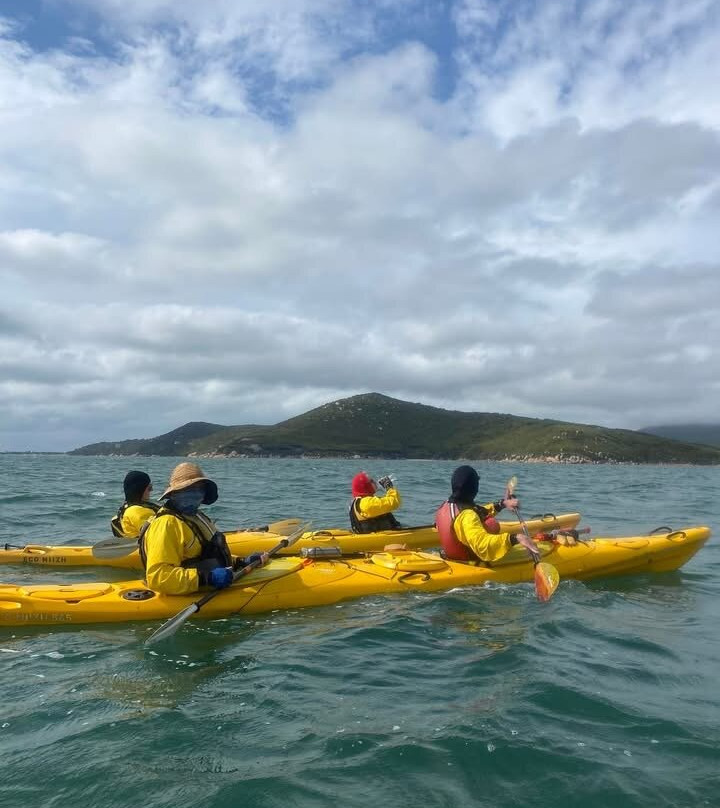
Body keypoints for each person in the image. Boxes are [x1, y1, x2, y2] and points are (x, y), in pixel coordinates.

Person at [139, 462, 268, 595]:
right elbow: (158, 577)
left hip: (215, 585)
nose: (195, 492)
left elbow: (209, 555)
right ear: (174, 493)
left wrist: (240, 562)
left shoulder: (197, 516)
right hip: (190, 593)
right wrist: (207, 578)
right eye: (188, 488)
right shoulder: (166, 524)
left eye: (199, 487)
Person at [435, 465, 540, 564]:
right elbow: (482, 544)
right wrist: (515, 538)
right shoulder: (467, 516)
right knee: (492, 524)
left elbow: (477, 511)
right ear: (474, 488)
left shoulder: (446, 506)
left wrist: (502, 504)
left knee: (489, 523)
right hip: (469, 564)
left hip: (451, 558)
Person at [110, 470, 160, 539]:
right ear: (140, 490)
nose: (151, 490)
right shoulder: (137, 511)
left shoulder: (127, 508)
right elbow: (158, 534)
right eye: (149, 488)